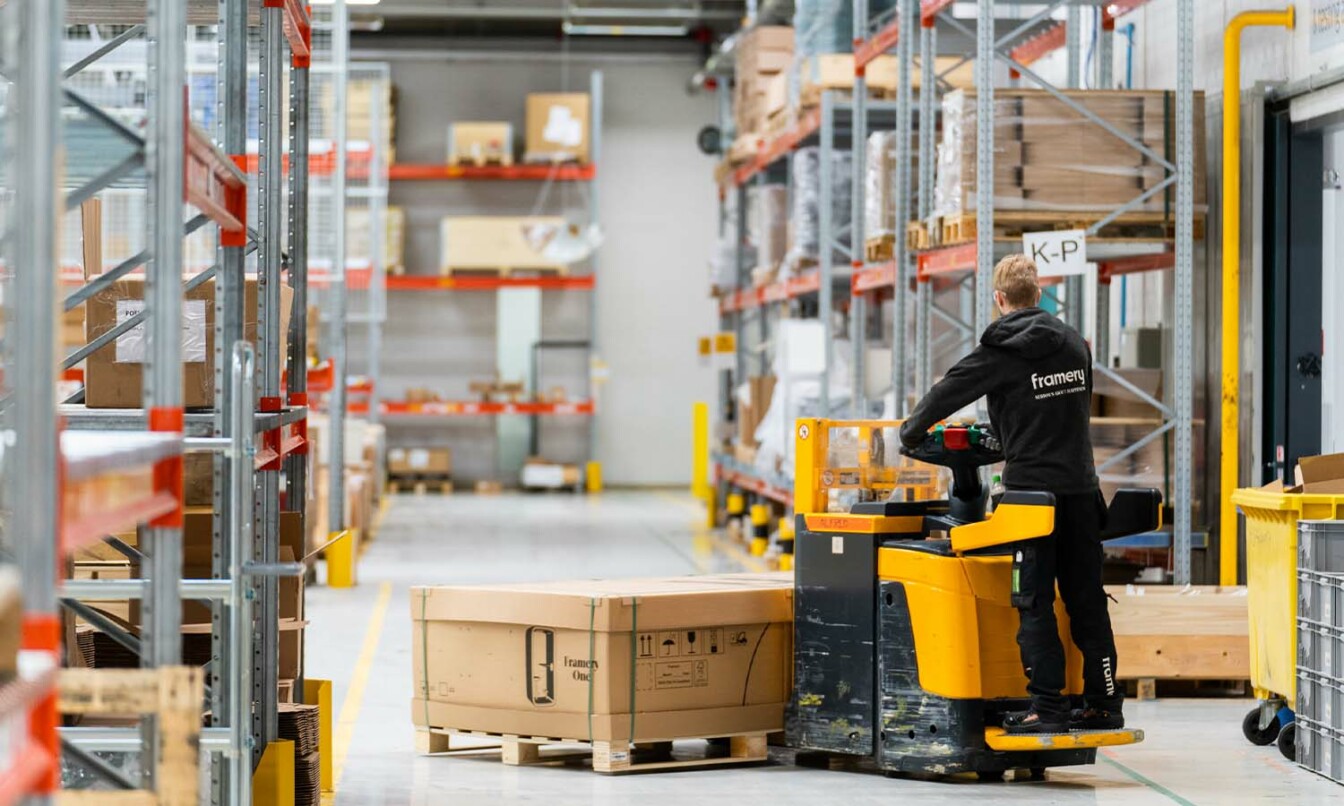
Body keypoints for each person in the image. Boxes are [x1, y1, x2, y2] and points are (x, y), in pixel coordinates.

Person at [897, 253, 1122, 735]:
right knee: (1086, 600)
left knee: (1033, 602)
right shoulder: (1076, 347)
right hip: (1082, 491)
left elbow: (947, 391)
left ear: (999, 299)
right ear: (1038, 295)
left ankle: (1048, 708)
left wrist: (911, 434)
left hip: (1030, 499)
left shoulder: (999, 352)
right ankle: (1104, 703)